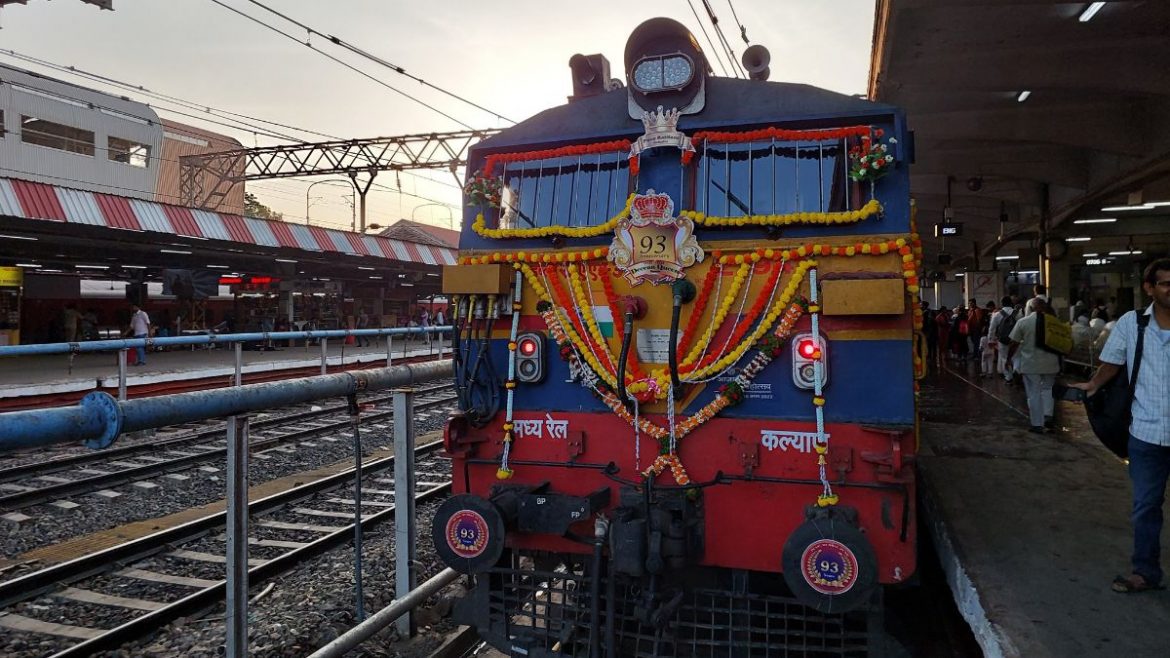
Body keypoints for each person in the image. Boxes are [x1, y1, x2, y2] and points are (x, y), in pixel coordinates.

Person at [1072, 258, 1170, 594]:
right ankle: (1144, 572)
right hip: (1146, 434)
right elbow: (1111, 365)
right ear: (1149, 288)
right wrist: (1094, 385)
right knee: (1146, 507)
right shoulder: (1133, 324)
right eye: (1165, 284)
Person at [1005, 297, 1061, 433]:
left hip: (1031, 365)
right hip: (1051, 364)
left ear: (1029, 308)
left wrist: (1008, 359)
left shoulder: (1023, 322)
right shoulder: (1054, 322)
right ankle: (1048, 416)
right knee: (1048, 390)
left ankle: (1037, 424)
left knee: (1034, 393)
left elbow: (1013, 343)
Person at [988, 295, 1017, 381]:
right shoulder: (1018, 313)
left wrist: (991, 339)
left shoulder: (997, 314)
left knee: (1004, 357)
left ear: (1002, 304)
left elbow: (992, 328)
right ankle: (1016, 373)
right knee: (1015, 357)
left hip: (1002, 340)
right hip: (1015, 339)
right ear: (1011, 303)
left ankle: (1008, 376)